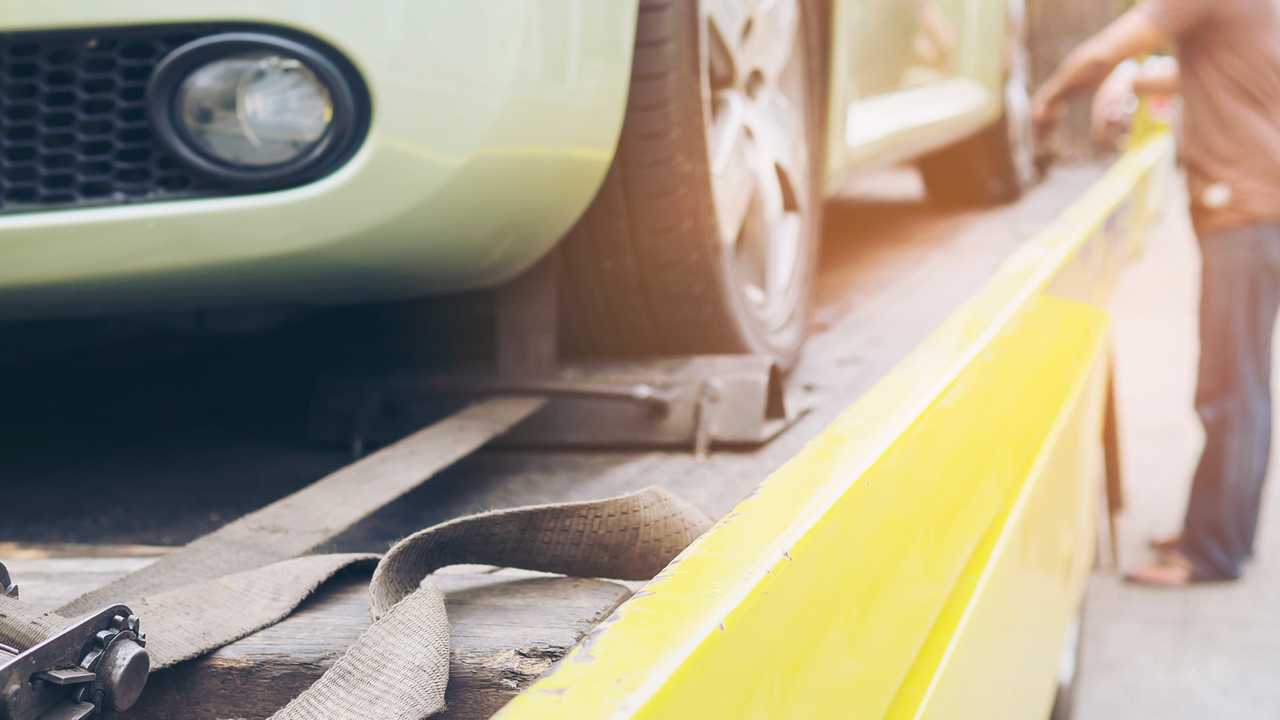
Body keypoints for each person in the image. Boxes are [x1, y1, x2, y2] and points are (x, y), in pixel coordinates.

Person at [1033, 0, 1280, 586]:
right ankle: (1217, 531)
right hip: (1260, 211)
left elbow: (1100, 51)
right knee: (1240, 385)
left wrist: (1045, 99)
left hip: (1242, 215)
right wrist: (1138, 82)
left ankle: (1210, 553)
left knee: (1229, 389)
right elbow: (1196, 70)